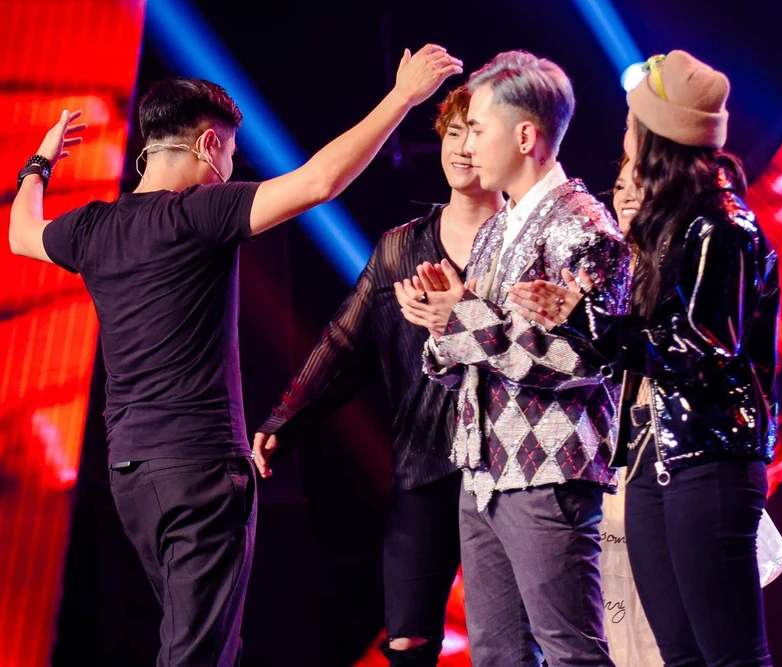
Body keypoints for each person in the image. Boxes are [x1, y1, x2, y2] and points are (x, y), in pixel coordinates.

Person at [8, 44, 461, 667]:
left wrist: (40, 162)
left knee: (205, 642)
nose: (227, 168)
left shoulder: (92, 227)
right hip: (198, 471)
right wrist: (403, 97)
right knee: (198, 651)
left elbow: (21, 234)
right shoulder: (200, 212)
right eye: (227, 152)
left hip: (130, 475)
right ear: (205, 145)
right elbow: (319, 182)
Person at [508, 50, 780, 666]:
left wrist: (585, 318)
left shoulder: (721, 228)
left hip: (709, 456)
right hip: (654, 461)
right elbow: (645, 344)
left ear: (657, 135)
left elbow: (699, 351)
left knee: (731, 655)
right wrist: (581, 315)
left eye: (632, 122)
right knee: (678, 655)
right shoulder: (670, 228)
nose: (624, 133)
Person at [251, 85, 502, 666]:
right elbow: (344, 341)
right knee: (408, 637)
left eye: (476, 134)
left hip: (508, 463)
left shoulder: (522, 243)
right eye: (454, 133)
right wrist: (285, 418)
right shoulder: (400, 248)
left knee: (507, 636)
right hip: (425, 462)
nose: (462, 148)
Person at [393, 51, 629, 667]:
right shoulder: (498, 228)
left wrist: (463, 318)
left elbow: (586, 362)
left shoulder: (584, 228)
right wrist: (440, 321)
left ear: (525, 136)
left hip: (547, 468)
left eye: (478, 128)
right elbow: (476, 350)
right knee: (497, 654)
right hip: (483, 468)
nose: (467, 145)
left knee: (571, 651)